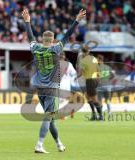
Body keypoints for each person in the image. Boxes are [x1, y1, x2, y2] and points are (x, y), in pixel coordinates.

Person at [22, 9, 86, 153]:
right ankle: (39, 144)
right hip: (51, 87)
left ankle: (58, 144)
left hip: (39, 87)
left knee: (51, 118)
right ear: (52, 40)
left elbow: (30, 37)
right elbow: (68, 35)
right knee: (49, 116)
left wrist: (27, 22)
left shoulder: (36, 48)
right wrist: (76, 20)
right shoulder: (56, 49)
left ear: (43, 39)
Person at [77, 46, 103, 121]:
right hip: (95, 80)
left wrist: (76, 77)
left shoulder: (83, 61)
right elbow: (98, 69)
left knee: (94, 99)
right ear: (88, 51)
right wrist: (99, 78)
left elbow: (81, 73)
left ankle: (100, 116)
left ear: (83, 52)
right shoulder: (94, 58)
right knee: (88, 98)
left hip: (90, 80)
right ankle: (94, 115)